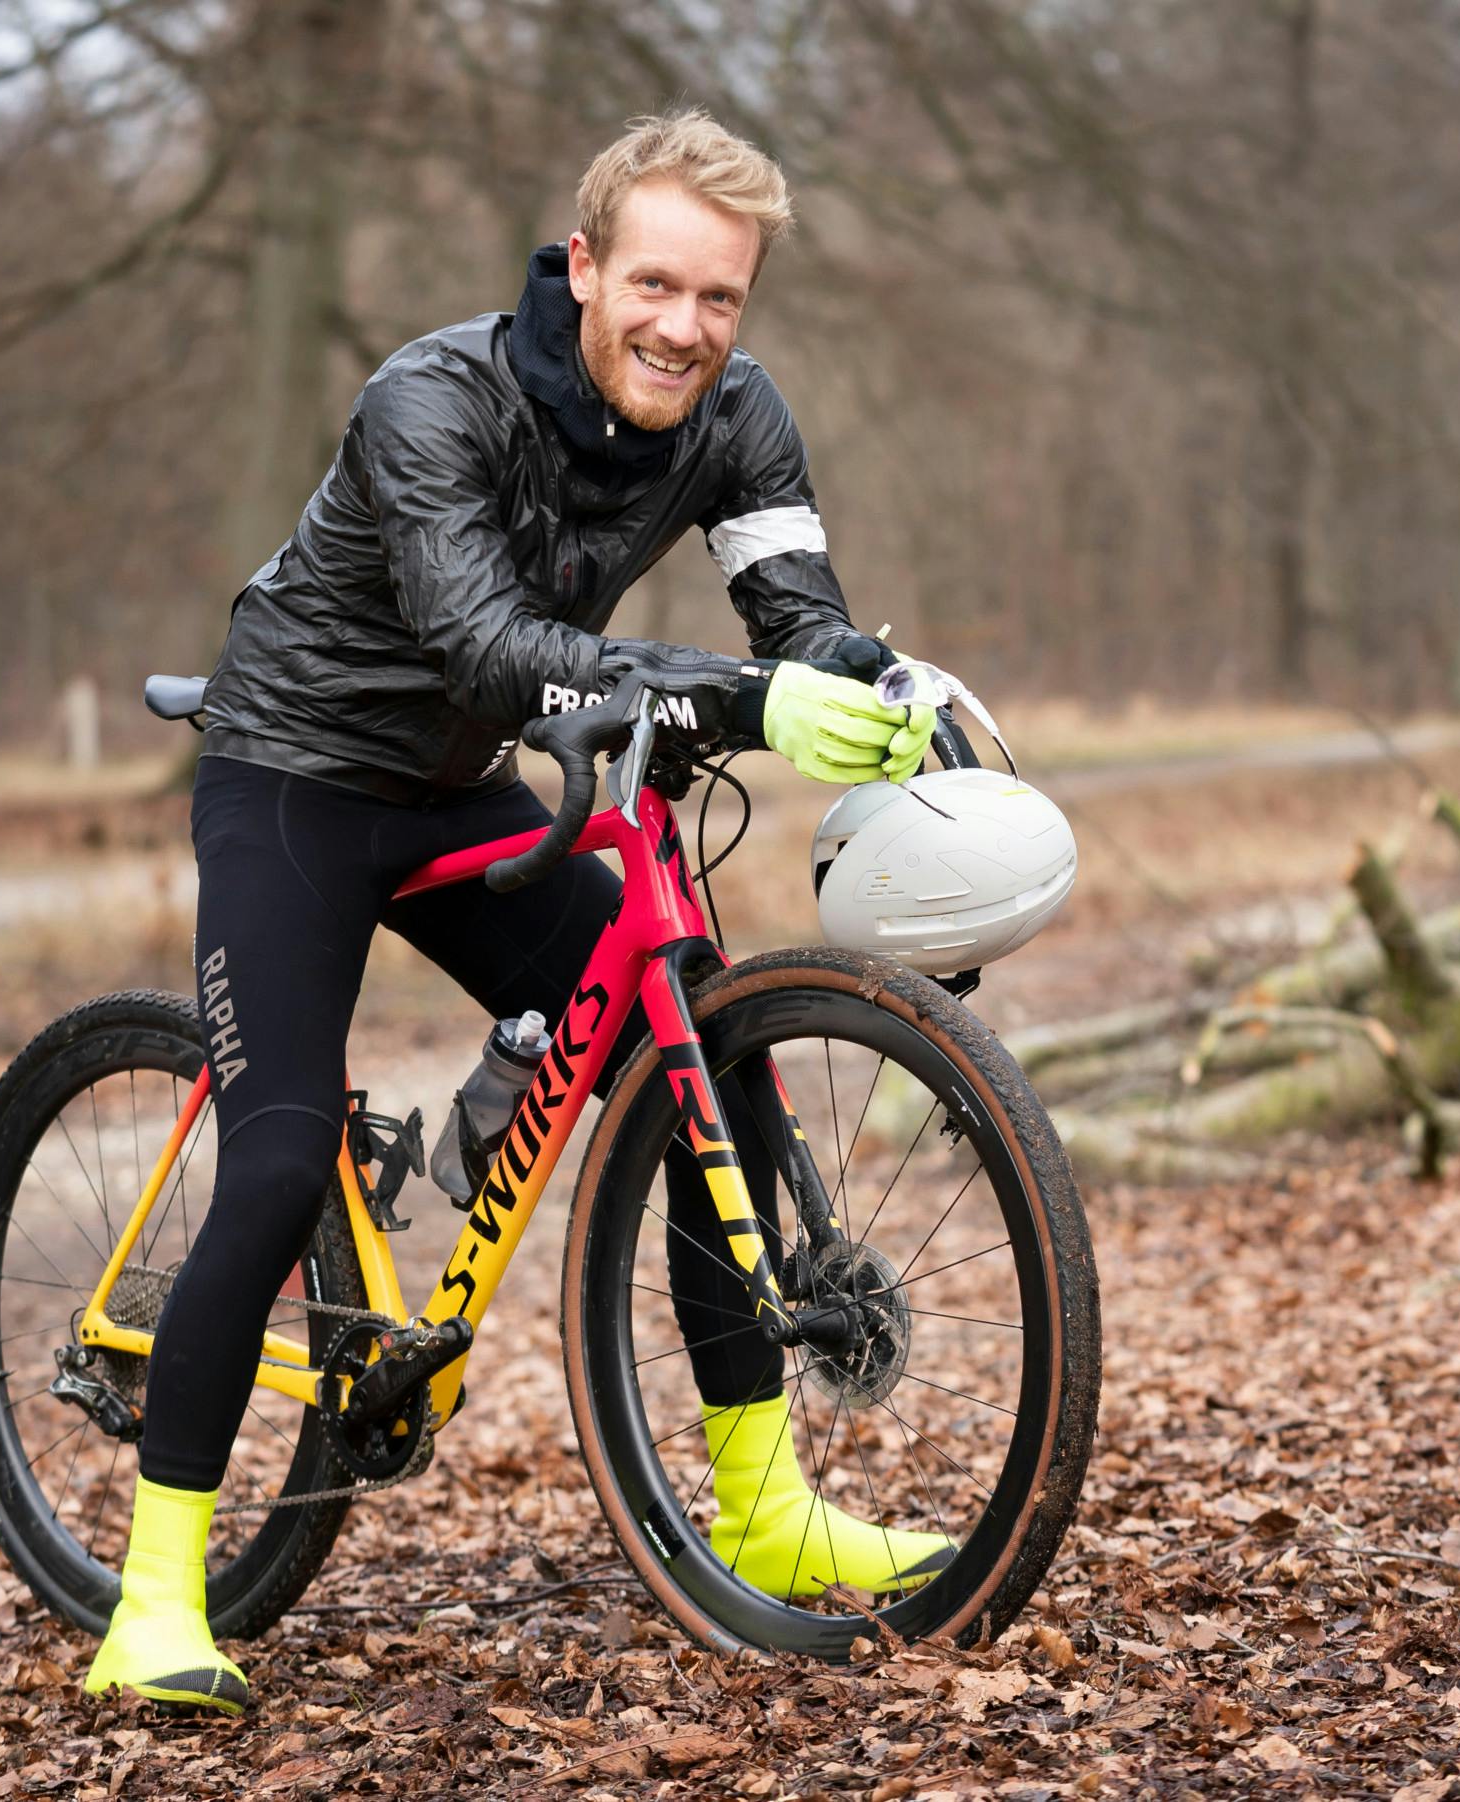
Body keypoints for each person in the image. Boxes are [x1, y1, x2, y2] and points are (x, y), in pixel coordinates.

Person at [83, 108, 952, 1716]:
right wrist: (743, 696)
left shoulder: (737, 416)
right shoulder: (433, 398)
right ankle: (151, 1600)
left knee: (714, 1066)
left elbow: (798, 620)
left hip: (466, 782)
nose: (687, 330)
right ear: (584, 268)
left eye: (722, 300)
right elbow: (489, 646)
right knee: (279, 1160)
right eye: (659, 286)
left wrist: (868, 685)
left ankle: (766, 1507)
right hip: (295, 773)